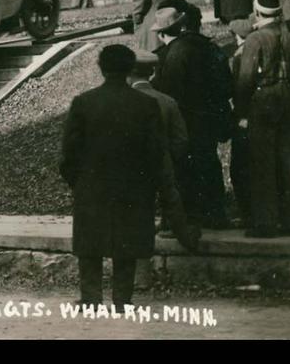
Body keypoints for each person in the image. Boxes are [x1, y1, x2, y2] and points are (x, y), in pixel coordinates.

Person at [60, 45, 194, 308]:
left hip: (92, 185)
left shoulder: (83, 103)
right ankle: (122, 299)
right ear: (130, 69)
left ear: (101, 67)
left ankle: (90, 299)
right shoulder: (146, 105)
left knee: (90, 243)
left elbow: (69, 153)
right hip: (133, 187)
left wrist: (77, 181)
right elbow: (156, 152)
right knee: (127, 241)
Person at [151, 7, 234, 230]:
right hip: (209, 119)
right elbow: (225, 84)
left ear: (162, 33)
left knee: (184, 170)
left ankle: (190, 217)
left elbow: (170, 93)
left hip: (186, 121)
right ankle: (216, 215)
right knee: (209, 164)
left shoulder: (173, 55)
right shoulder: (206, 45)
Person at [233, 0, 290, 237]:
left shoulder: (255, 39)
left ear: (258, 12)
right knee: (288, 160)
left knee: (263, 162)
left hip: (264, 98)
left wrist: (241, 113)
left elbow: (246, 78)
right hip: (289, 97)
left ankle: (265, 223)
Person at [130, 49, 195, 242]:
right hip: (162, 161)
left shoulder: (123, 101)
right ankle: (180, 232)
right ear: (151, 72)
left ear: (129, 73)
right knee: (170, 197)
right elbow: (181, 139)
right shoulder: (167, 101)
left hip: (130, 165)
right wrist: (168, 156)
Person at [226, 18, 255, 228]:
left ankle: (247, 213)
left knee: (241, 166)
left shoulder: (239, 55)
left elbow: (239, 88)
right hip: (260, 113)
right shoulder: (256, 48)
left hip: (245, 115)